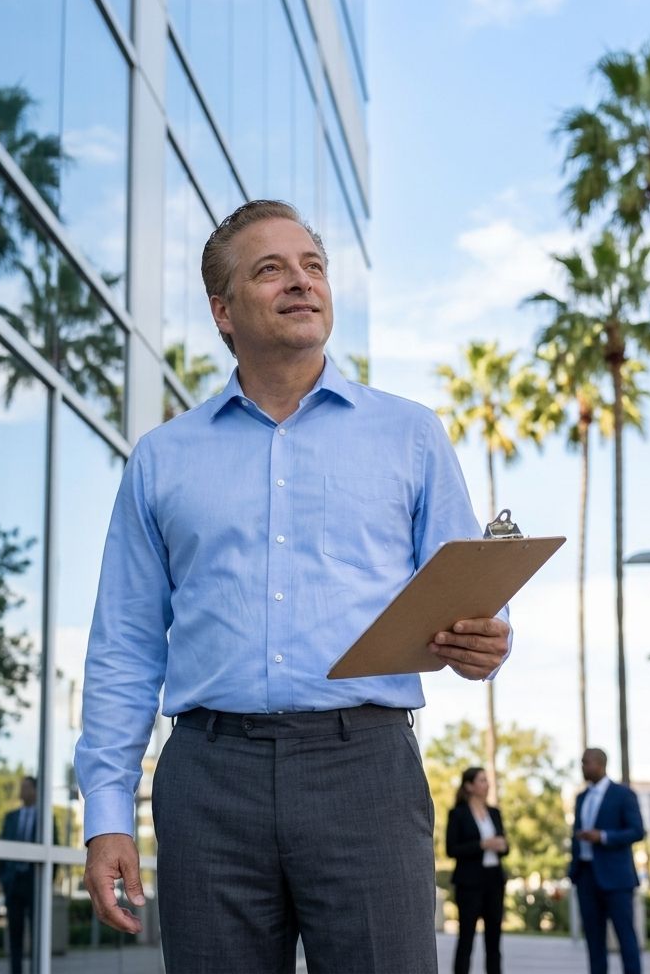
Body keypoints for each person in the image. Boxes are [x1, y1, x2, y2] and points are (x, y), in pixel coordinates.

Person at [75, 199, 512, 974]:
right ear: (223, 311)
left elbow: (473, 599)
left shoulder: (410, 434)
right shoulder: (162, 458)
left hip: (366, 771)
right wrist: (107, 814)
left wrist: (486, 639)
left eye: (313, 267)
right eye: (270, 269)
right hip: (208, 781)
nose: (301, 283)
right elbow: (125, 646)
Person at [569, 748, 645, 974]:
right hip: (586, 876)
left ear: (599, 764)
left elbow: (637, 831)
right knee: (593, 941)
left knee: (625, 937)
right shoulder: (581, 797)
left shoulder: (622, 794)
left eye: (586, 763)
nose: (583, 767)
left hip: (617, 879)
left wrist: (602, 836)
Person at [445, 767, 508, 974]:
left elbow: (505, 846)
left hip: (494, 881)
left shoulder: (494, 813)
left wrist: (502, 845)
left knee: (494, 941)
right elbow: (451, 849)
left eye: (486, 780)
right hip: (469, 883)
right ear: (469, 786)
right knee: (466, 939)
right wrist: (482, 844)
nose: (487, 784)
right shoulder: (458, 814)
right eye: (481, 780)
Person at [0, 775, 47, 974]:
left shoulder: (44, 817)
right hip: (14, 882)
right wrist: (3, 878)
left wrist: (45, 882)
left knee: (37, 931)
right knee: (15, 933)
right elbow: (2, 850)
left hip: (34, 881)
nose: (22, 790)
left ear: (35, 791)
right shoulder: (11, 817)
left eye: (26, 787)